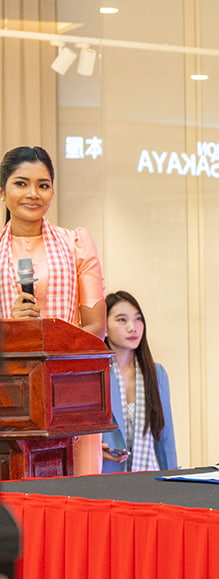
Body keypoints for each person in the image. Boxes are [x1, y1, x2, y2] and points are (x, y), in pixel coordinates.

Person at [0, 145, 106, 475]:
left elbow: (96, 329)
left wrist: (45, 341)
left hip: (71, 395)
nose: (33, 193)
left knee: (78, 500)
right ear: (2, 190)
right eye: (21, 183)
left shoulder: (76, 244)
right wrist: (14, 329)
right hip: (9, 395)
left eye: (43, 185)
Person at [101, 291, 177, 473]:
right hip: (103, 478)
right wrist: (96, 451)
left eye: (138, 319)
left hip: (147, 476)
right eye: (121, 320)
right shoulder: (94, 374)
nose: (132, 327)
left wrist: (174, 478)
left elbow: (165, 437)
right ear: (105, 326)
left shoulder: (156, 373)